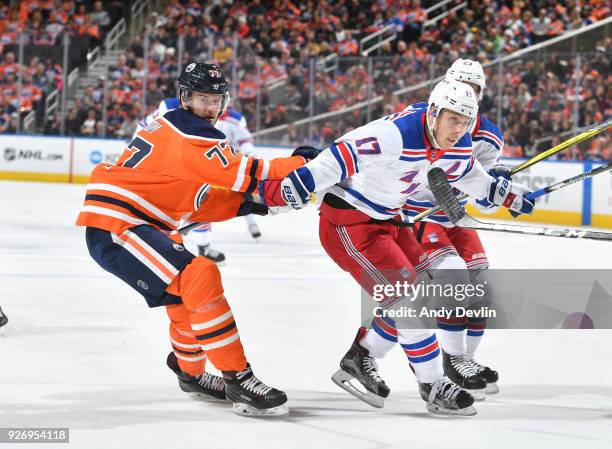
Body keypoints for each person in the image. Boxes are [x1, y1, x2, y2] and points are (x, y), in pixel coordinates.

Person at [259, 79, 535, 415]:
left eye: (465, 122)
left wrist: (507, 195)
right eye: (452, 120)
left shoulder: (458, 143)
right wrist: (298, 183)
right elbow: (341, 155)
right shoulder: (397, 135)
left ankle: (362, 355)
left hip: (390, 220)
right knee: (409, 304)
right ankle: (433, 385)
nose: (458, 129)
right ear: (434, 113)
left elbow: (471, 179)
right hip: (350, 224)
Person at [76, 62, 309, 417]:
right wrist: (299, 166)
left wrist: (259, 207)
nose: (212, 108)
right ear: (185, 98)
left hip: (134, 224)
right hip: (120, 225)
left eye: (217, 100)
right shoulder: (189, 129)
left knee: (184, 297)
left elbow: (201, 201)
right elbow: (247, 174)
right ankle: (238, 377)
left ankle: (191, 374)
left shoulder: (173, 131)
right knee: (199, 274)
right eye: (203, 99)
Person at [357, 58, 507, 402]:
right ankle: (447, 359)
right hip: (419, 215)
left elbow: (483, 194)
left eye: (473, 89)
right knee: (437, 289)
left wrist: (497, 187)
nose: (466, 94)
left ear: (481, 94)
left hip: (455, 217)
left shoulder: (488, 135)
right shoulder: (422, 118)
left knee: (481, 285)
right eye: (459, 85)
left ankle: (462, 359)